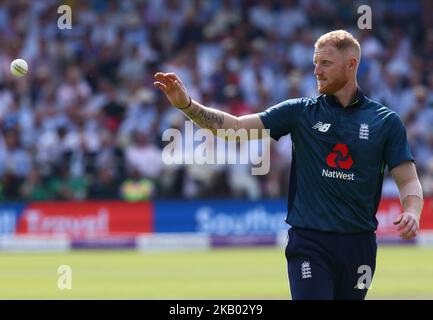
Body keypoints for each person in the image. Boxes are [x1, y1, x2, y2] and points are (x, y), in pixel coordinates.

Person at [153, 30, 424, 300]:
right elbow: (235, 128)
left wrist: (411, 211)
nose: (317, 70)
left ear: (351, 64)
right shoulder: (300, 112)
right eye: (315, 63)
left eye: (326, 63)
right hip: (309, 242)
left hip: (360, 246)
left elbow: (408, 180)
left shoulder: (385, 122)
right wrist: (187, 106)